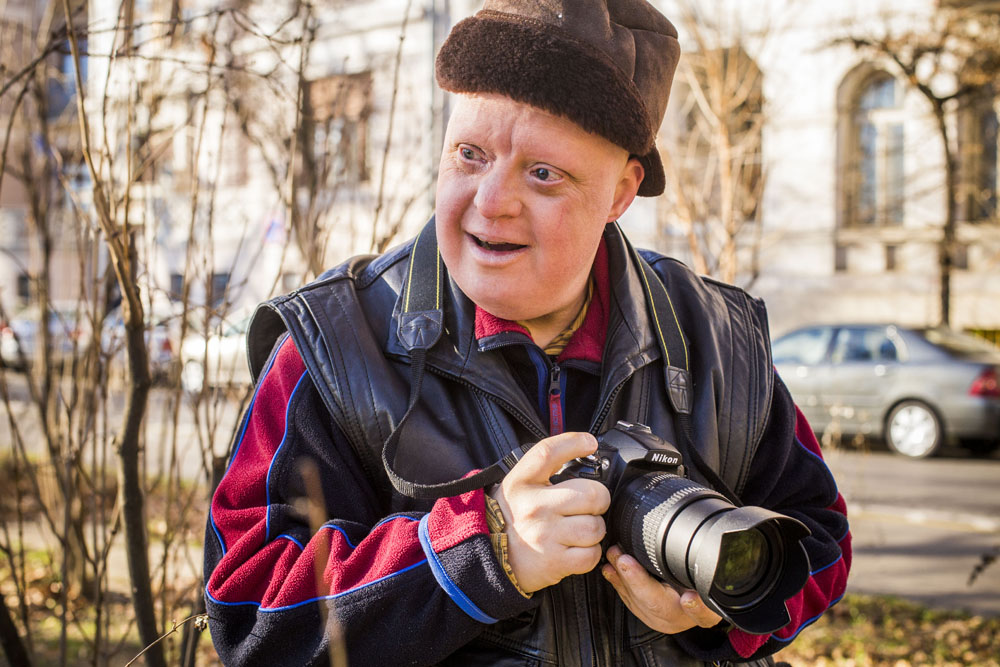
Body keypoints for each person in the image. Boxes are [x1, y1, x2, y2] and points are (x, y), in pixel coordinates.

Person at [203, 1, 851, 665]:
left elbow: (820, 538)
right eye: (470, 154)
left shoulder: (718, 337)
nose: (490, 200)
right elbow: (248, 614)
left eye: (543, 173)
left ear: (621, 193)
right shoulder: (335, 344)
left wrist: (719, 612)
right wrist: (483, 552)